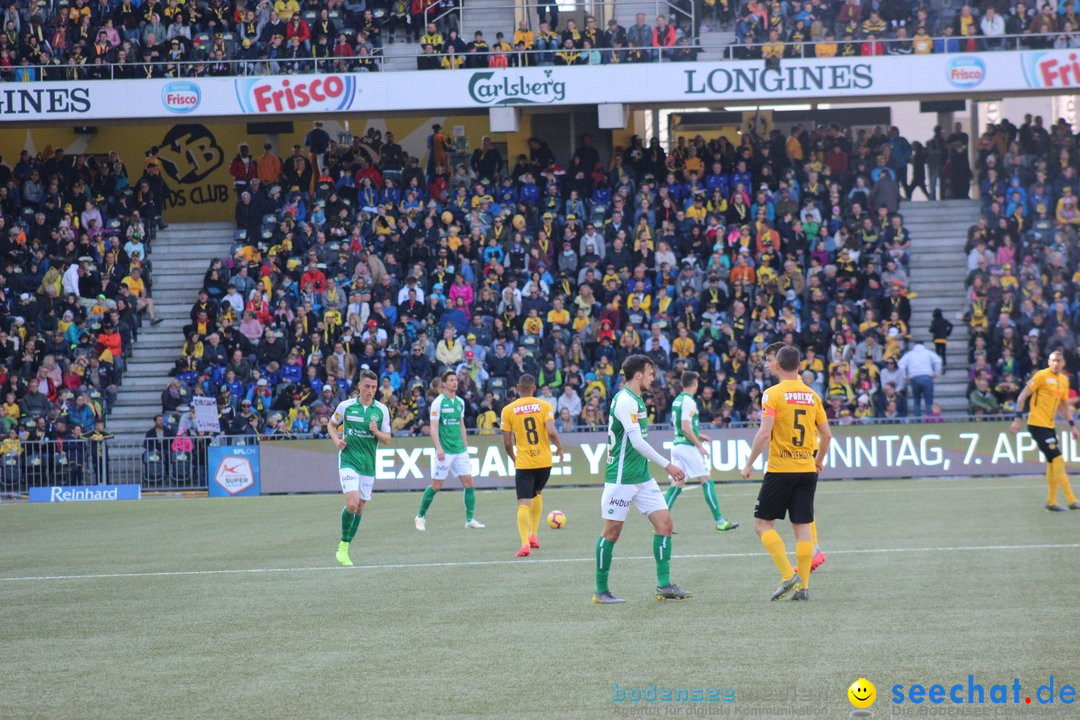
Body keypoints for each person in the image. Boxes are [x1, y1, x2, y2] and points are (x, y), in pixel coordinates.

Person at [593, 354, 691, 604]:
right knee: (611, 533)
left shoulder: (635, 400)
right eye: (649, 373)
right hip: (621, 479)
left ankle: (664, 585)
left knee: (665, 525)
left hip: (642, 477)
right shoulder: (625, 400)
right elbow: (637, 443)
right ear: (638, 374)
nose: (652, 378)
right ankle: (601, 590)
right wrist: (667, 465)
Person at [741, 346, 832, 602]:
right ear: (799, 366)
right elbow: (826, 434)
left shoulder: (772, 395)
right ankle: (803, 587)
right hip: (806, 470)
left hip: (781, 469)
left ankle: (786, 575)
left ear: (778, 365)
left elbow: (764, 433)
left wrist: (749, 463)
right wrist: (819, 460)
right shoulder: (812, 395)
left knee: (762, 525)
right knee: (802, 528)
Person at [764, 342, 826, 571]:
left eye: (770, 360)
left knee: (794, 517)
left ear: (779, 362)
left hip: (791, 457)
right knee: (801, 512)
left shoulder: (787, 389)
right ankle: (812, 551)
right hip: (805, 455)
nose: (768, 365)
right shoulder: (800, 389)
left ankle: (813, 551)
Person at [328, 369, 392, 566]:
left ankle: (347, 545)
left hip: (368, 463)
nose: (370, 391)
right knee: (353, 504)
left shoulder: (381, 410)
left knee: (361, 507)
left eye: (373, 387)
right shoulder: (346, 406)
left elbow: (388, 439)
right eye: (366, 386)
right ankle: (343, 546)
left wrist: (376, 432)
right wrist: (336, 440)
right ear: (359, 386)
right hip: (348, 459)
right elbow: (331, 425)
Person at [664, 370, 739, 532]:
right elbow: (685, 427)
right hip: (687, 447)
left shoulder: (677, 400)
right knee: (706, 481)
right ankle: (720, 521)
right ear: (695, 384)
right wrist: (699, 445)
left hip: (677, 446)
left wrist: (700, 435)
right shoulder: (689, 401)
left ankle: (660, 524)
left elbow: (682, 426)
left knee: (677, 484)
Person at [1009, 350, 1080, 511]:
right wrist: (1017, 419)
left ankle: (1052, 501)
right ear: (1049, 362)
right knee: (1058, 458)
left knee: (1051, 462)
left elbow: (1064, 406)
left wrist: (1072, 426)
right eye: (1053, 360)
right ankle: (1071, 499)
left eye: (1058, 361)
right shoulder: (1041, 376)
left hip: (1049, 426)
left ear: (1063, 363)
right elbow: (1022, 396)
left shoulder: (1063, 380)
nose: (1055, 363)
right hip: (1036, 424)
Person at [501, 374, 563, 557]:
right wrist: (559, 447)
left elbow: (506, 442)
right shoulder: (545, 405)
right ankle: (534, 534)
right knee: (537, 493)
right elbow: (551, 431)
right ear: (534, 388)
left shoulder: (508, 409)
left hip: (525, 462)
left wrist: (514, 458)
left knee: (523, 504)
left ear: (517, 388)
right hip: (544, 461)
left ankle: (524, 543)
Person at [415, 370, 485, 529]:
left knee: (469, 482)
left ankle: (469, 520)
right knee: (436, 485)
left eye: (456, 380)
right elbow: (433, 428)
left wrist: (465, 447)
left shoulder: (460, 402)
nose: (455, 382)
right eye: (451, 380)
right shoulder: (438, 402)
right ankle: (420, 517)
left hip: (459, 450)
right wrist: (438, 448)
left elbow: (461, 425)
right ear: (444, 384)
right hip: (445, 451)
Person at [898, 341, 942, 418]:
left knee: (917, 400)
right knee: (929, 401)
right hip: (927, 377)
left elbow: (901, 363)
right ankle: (929, 419)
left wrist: (904, 375)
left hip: (914, 378)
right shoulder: (928, 352)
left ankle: (917, 420)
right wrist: (936, 372)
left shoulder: (910, 354)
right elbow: (938, 360)